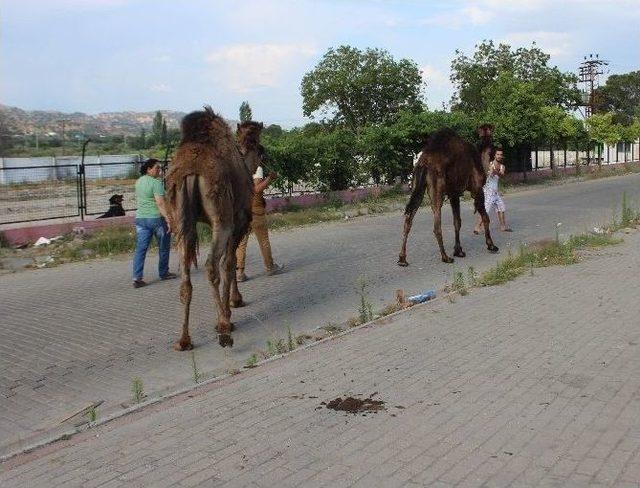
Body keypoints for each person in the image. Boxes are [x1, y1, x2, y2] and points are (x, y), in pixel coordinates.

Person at [235, 161, 284, 282]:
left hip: (242, 210)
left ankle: (240, 273)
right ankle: (270, 267)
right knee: (263, 241)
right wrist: (269, 179)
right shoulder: (257, 168)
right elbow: (256, 189)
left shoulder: (238, 167)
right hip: (255, 210)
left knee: (241, 243)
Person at [132, 158, 177, 288]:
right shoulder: (156, 183)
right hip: (156, 219)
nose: (160, 170)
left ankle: (137, 277)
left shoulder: (139, 181)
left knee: (141, 249)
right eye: (157, 168)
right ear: (149, 169)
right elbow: (160, 203)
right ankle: (163, 273)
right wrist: (168, 219)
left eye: (160, 168)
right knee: (163, 247)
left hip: (141, 219)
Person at [474, 148, 513, 234]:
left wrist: (495, 171)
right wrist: (493, 172)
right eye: (497, 154)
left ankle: (503, 227)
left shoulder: (502, 166)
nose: (499, 156)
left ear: (502, 156)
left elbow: (502, 175)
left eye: (500, 155)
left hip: (495, 192)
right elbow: (488, 174)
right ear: (495, 155)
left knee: (501, 208)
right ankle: (477, 227)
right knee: (485, 210)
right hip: (488, 191)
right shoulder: (490, 164)